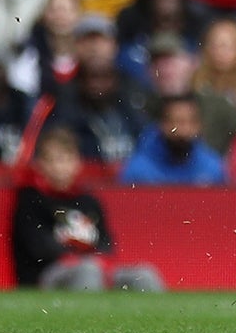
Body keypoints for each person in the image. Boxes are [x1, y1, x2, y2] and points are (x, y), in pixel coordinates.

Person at [10, 123, 163, 290]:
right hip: (48, 274)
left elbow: (106, 242)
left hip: (95, 267)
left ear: (78, 163)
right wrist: (78, 258)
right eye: (52, 160)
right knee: (88, 270)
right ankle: (88, 316)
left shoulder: (88, 201)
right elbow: (38, 247)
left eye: (66, 159)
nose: (59, 168)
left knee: (144, 274)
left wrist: (98, 260)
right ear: (40, 164)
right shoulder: (31, 199)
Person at [119, 92, 228, 186]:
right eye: (177, 122)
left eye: (190, 122)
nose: (184, 130)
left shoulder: (212, 168)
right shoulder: (138, 170)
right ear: (162, 124)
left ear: (199, 125)